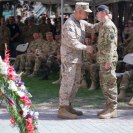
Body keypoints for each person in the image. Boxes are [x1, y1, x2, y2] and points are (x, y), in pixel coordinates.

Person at [58, 2, 102, 119]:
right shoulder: (69, 24)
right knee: (67, 83)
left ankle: (69, 106)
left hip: (77, 59)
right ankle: (62, 108)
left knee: (75, 83)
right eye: (86, 12)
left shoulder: (81, 22)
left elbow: (92, 28)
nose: (87, 15)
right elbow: (72, 42)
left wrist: (104, 21)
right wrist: (86, 47)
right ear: (79, 11)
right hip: (69, 59)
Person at [96, 5, 118, 119]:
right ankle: (108, 106)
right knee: (105, 84)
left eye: (98, 12)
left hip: (108, 60)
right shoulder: (104, 25)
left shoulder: (108, 26)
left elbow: (110, 45)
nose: (96, 15)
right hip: (103, 59)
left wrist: (108, 61)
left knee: (110, 84)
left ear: (104, 12)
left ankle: (113, 109)